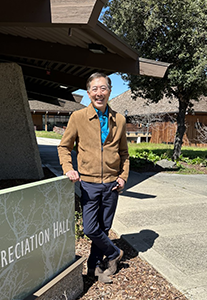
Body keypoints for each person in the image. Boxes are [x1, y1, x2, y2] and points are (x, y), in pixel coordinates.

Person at [57, 72, 129, 283]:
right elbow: (64, 147)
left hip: (112, 185)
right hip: (88, 184)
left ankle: (93, 268)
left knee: (104, 228)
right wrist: (68, 168)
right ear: (88, 93)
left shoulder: (120, 120)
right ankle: (115, 253)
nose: (99, 93)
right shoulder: (78, 118)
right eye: (95, 89)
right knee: (90, 228)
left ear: (109, 91)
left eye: (103, 88)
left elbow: (124, 153)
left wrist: (123, 177)